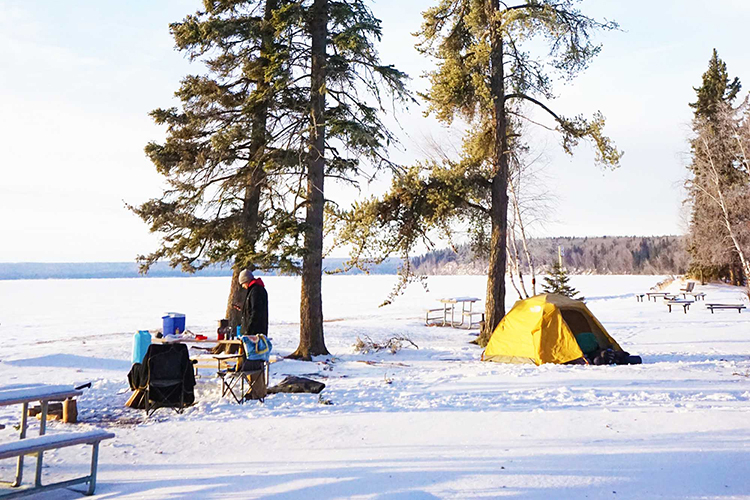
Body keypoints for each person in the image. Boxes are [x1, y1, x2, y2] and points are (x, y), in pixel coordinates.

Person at [235, 269, 268, 337]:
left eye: (243, 283)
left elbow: (255, 312)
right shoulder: (253, 290)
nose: (243, 286)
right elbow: (252, 307)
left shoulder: (255, 291)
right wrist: (243, 308)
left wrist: (248, 331)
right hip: (254, 332)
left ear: (246, 281)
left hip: (254, 333)